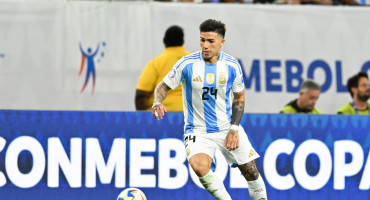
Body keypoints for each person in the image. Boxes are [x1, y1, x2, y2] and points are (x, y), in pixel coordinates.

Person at [152, 19, 267, 200]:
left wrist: (234, 128)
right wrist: (157, 101)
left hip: (226, 127)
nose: (205, 45)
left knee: (251, 173)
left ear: (222, 42)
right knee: (199, 166)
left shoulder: (232, 66)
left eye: (210, 41)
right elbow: (163, 86)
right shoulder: (186, 64)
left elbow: (239, 97)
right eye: (202, 40)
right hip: (197, 129)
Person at [135, 25, 190, 111]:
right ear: (182, 41)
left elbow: (141, 95)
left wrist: (144, 120)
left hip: (161, 117)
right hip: (191, 116)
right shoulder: (195, 62)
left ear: (164, 41)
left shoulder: (155, 64)